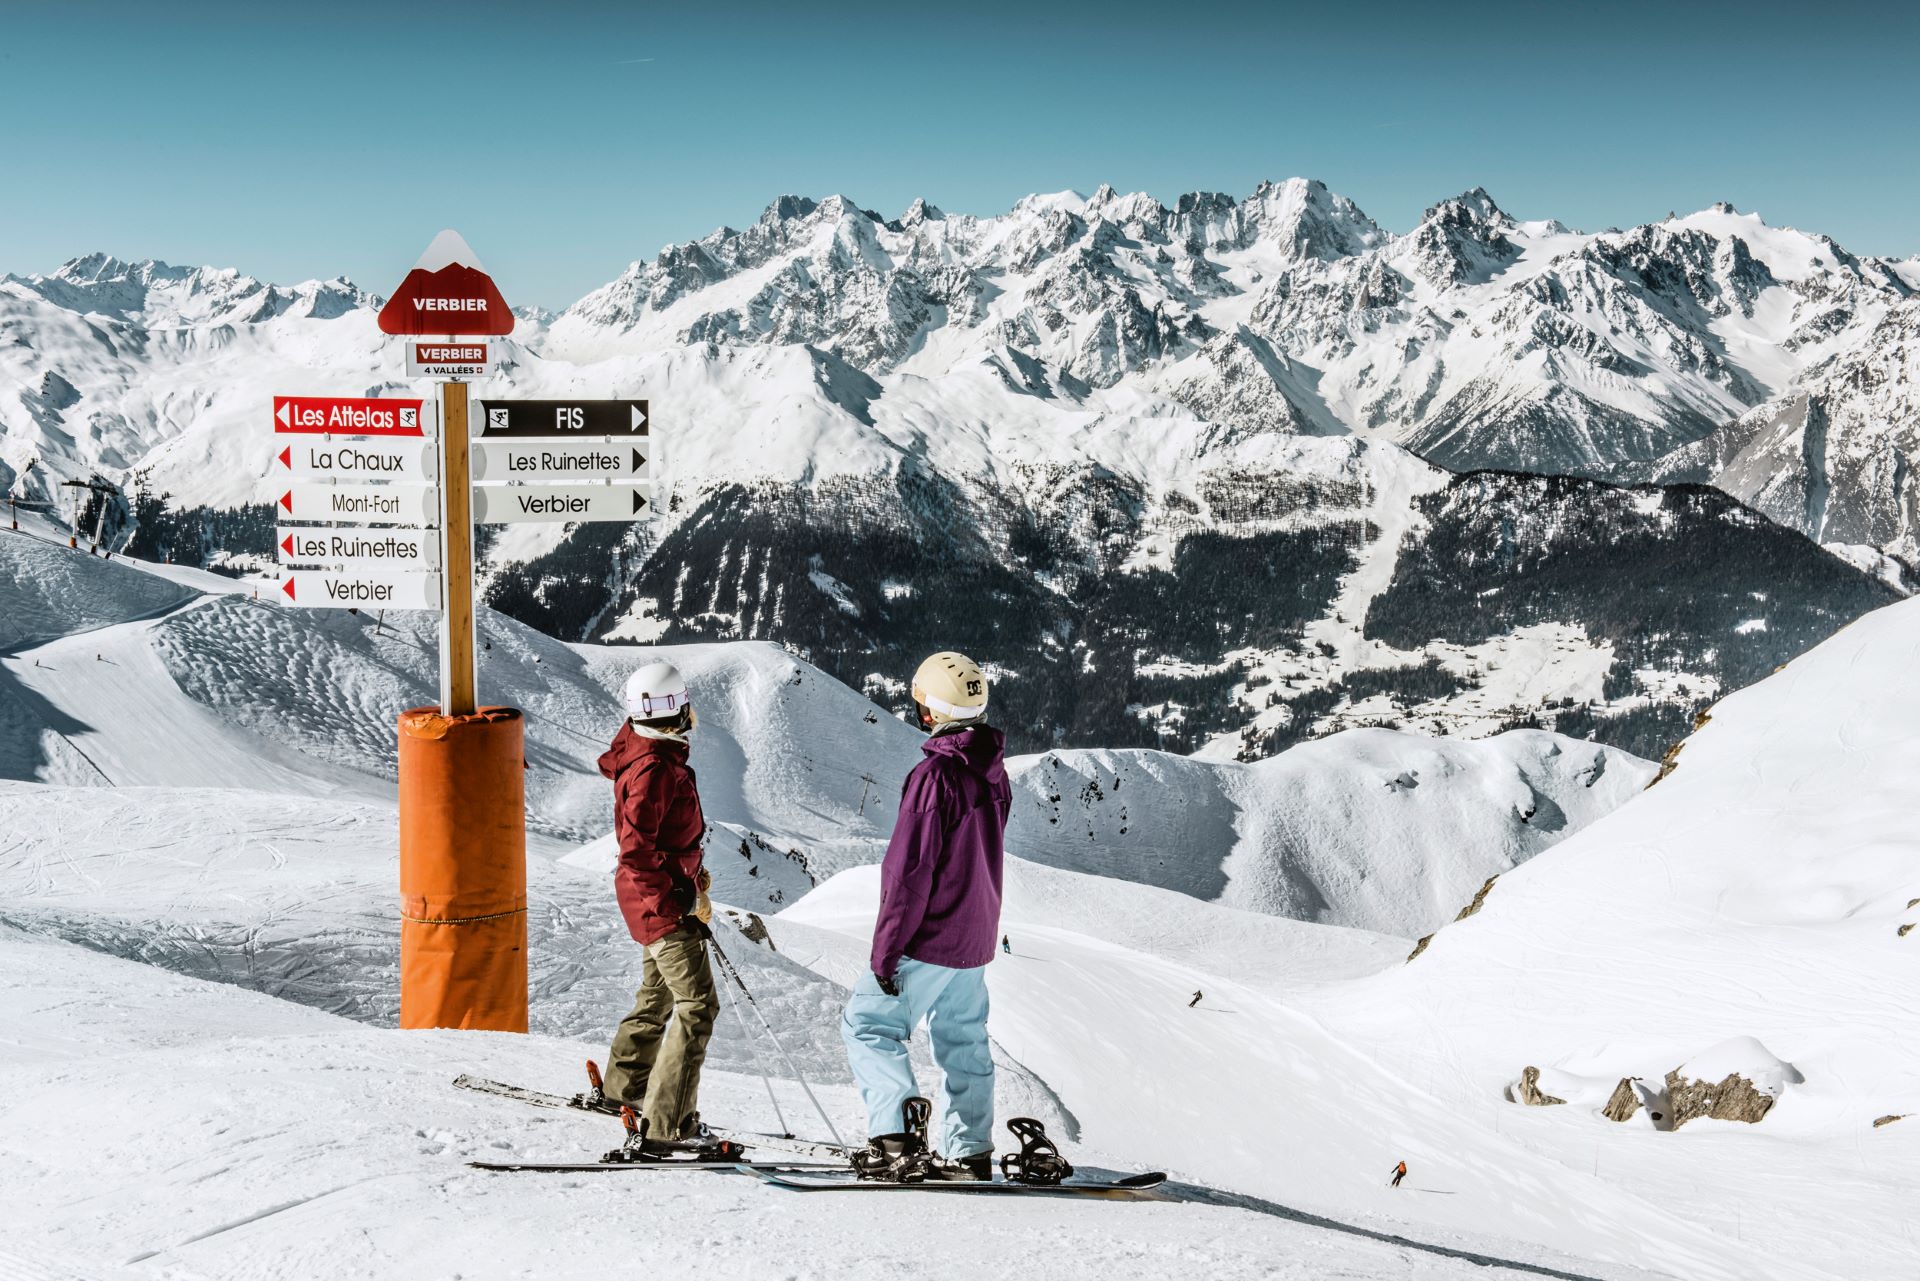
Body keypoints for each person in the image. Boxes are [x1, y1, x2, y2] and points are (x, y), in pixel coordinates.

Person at [842, 651, 1011, 1182]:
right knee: (963, 1039)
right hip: (974, 933)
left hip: (932, 933)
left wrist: (886, 952)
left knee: (868, 1024)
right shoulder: (993, 772)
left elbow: (908, 872)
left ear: (932, 708)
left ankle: (896, 1140)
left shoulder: (935, 775)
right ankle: (971, 1149)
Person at [597, 661, 716, 1150]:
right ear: (678, 710)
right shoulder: (654, 768)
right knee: (698, 1004)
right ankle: (670, 1124)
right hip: (660, 906)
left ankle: (623, 1088)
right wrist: (678, 898)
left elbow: (659, 841)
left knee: (659, 993)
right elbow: (636, 851)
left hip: (655, 899)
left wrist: (690, 875)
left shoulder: (650, 753)